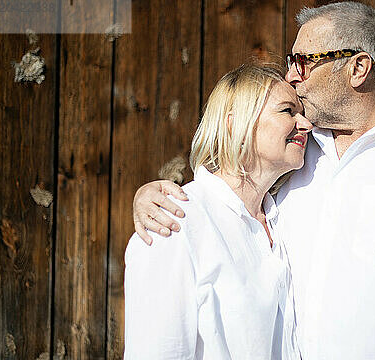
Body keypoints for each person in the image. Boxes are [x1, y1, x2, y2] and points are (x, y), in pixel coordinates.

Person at [132, 2, 375, 359]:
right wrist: (150, 196)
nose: (291, 74)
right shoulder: (296, 156)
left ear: (358, 68)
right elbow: (226, 194)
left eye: (303, 61)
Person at [124, 64, 311, 359]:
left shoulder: (285, 218)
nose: (306, 124)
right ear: (235, 123)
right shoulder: (175, 222)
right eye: (288, 111)